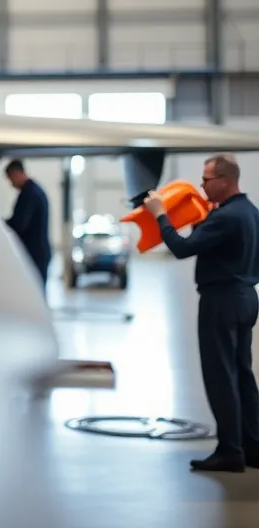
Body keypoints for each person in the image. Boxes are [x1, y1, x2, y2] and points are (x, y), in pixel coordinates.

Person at [145, 153, 259, 473]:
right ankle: (252, 448)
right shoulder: (251, 212)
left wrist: (160, 215)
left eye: (206, 180)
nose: (202, 185)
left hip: (221, 301)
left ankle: (230, 452)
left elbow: (182, 249)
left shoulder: (224, 217)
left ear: (225, 181)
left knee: (221, 377)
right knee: (243, 376)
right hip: (246, 297)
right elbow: (219, 245)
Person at [3, 159, 51, 294]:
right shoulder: (34, 190)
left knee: (34, 293)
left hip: (34, 253)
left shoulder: (29, 194)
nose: (10, 183)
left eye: (10, 178)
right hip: (37, 252)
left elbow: (19, 224)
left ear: (16, 173)